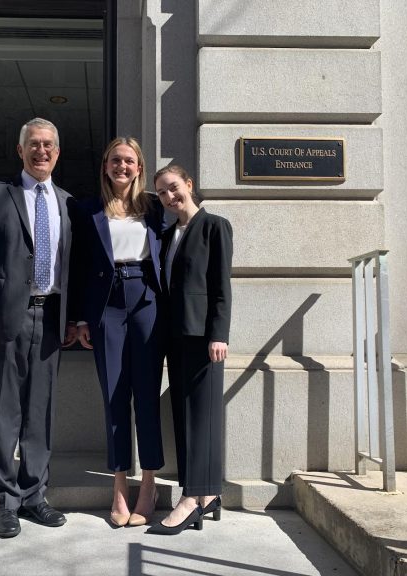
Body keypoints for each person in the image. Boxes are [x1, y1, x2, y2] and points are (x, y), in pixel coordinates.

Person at [0, 118, 77, 539]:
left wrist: (75, 318)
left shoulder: (67, 202)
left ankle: (34, 496)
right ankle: (4, 501)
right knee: (1, 411)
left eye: (48, 144)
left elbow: (73, 266)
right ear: (21, 150)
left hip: (50, 318)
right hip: (4, 317)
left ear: (57, 152)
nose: (41, 151)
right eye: (34, 144)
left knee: (40, 412)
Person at [73, 137, 165, 527]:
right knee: (114, 395)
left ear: (139, 167)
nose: (122, 167)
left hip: (147, 300)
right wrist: (79, 319)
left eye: (129, 161)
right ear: (105, 166)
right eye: (115, 160)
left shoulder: (155, 208)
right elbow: (76, 265)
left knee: (146, 395)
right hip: (106, 305)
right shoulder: (88, 209)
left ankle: (149, 484)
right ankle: (119, 487)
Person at [147, 164, 233, 536]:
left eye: (173, 188)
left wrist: (219, 334)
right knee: (184, 416)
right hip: (176, 338)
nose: (169, 197)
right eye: (162, 193)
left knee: (202, 417)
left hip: (204, 339)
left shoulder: (215, 226)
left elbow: (221, 287)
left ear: (189, 185)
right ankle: (208, 493)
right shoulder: (169, 234)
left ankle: (191, 499)